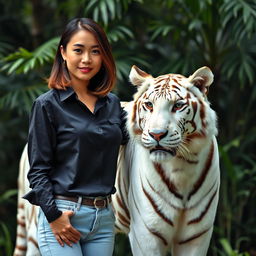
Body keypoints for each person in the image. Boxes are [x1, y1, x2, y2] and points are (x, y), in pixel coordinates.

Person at [23, 17, 127, 256]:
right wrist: (53, 216)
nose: (86, 60)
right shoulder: (47, 105)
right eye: (78, 50)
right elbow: (38, 170)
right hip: (64, 214)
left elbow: (130, 138)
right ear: (63, 53)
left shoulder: (111, 103)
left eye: (95, 51)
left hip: (104, 218)